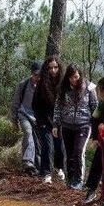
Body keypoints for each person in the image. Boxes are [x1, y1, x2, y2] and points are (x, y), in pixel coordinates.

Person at [53, 63, 98, 190]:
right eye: (72, 77)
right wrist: (55, 124)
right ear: (68, 77)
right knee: (68, 153)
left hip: (83, 125)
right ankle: (70, 178)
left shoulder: (89, 88)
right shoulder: (63, 89)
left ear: (80, 75)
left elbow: (95, 108)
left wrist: (96, 128)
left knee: (78, 152)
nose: (74, 79)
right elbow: (58, 107)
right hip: (66, 125)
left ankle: (79, 180)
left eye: (77, 77)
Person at [33, 56, 66, 184]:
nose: (53, 70)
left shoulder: (63, 84)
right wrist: (41, 121)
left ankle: (60, 169)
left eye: (55, 67)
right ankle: (46, 173)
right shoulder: (41, 85)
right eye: (50, 68)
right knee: (47, 146)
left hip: (60, 122)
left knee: (60, 147)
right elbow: (35, 104)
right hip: (45, 122)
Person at [10, 60, 42, 174]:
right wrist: (14, 121)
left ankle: (35, 165)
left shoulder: (45, 87)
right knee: (28, 133)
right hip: (24, 114)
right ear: (31, 73)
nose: (37, 77)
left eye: (40, 75)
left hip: (39, 117)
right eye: (35, 75)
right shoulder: (23, 85)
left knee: (38, 141)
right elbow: (15, 103)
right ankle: (27, 161)